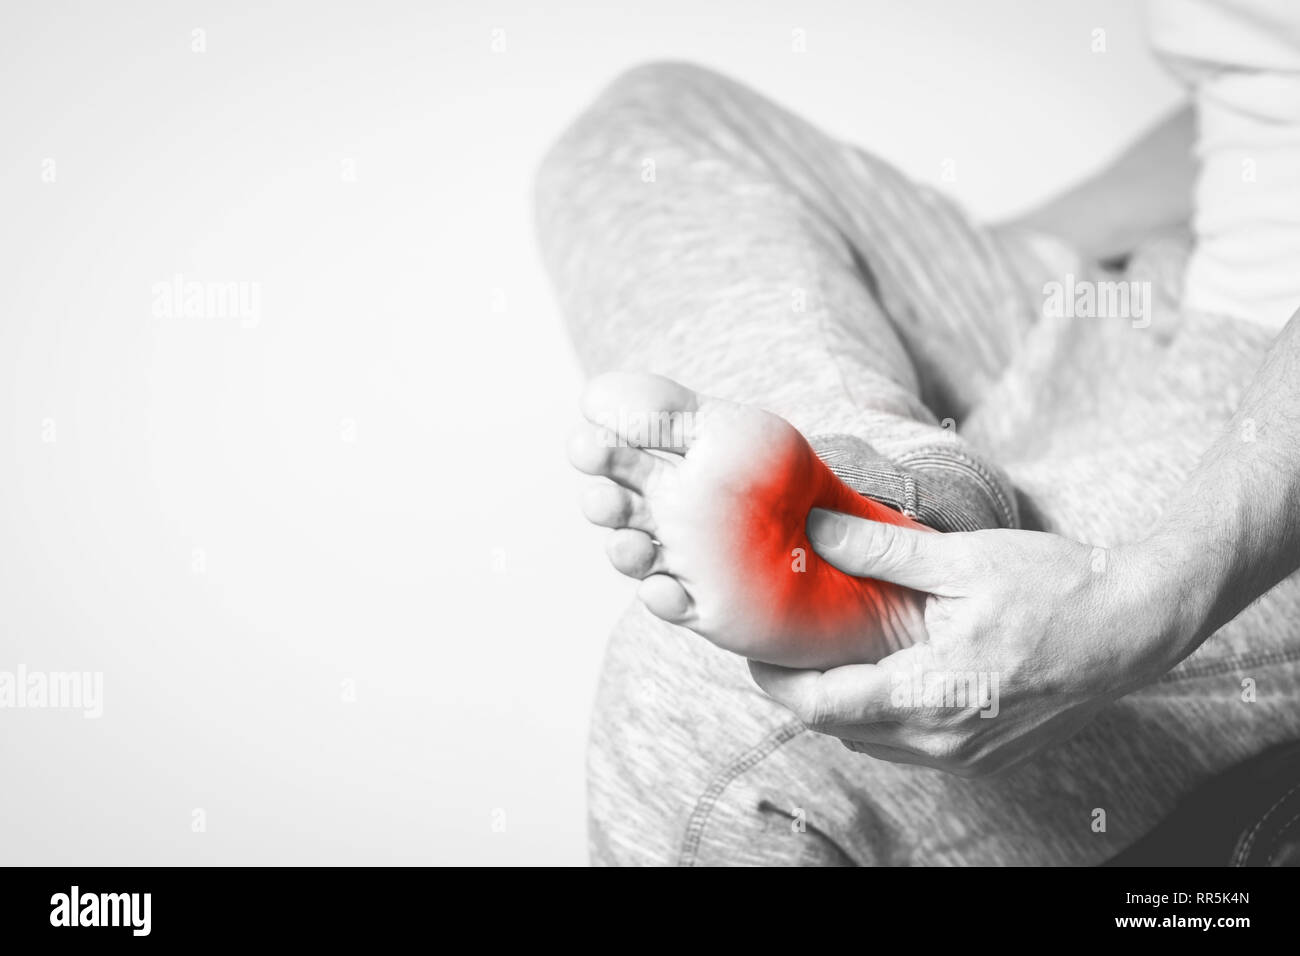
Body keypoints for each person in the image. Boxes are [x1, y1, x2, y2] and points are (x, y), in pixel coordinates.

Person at [536, 3, 1300, 865]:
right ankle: (897, 487)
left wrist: (1153, 593)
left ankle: (868, 539)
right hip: (1164, 285)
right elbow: (1266, 89)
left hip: (1268, 413)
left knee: (690, 695)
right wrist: (976, 274)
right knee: (654, 126)